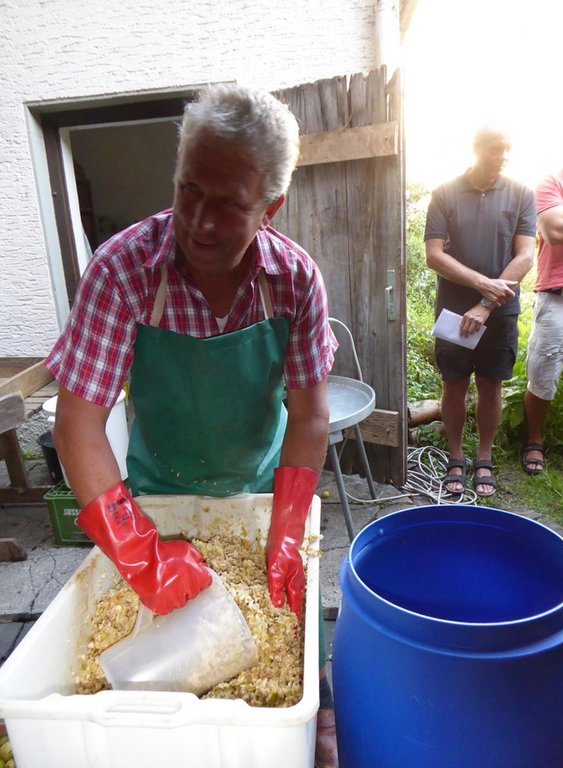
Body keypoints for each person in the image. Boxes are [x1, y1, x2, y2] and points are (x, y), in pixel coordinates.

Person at [45, 83, 339, 767]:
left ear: (270, 206)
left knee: (302, 687)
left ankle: (312, 723)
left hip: (261, 492)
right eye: (188, 192)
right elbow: (78, 425)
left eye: (229, 204)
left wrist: (287, 531)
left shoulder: (294, 280)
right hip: (155, 497)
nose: (200, 222)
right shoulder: (122, 270)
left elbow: (309, 415)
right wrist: (141, 553)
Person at [424, 125, 536, 497]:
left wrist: (487, 302)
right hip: (454, 311)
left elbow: (525, 256)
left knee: (491, 385)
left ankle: (484, 458)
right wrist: (482, 284)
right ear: (476, 149)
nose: (502, 157)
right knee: (454, 383)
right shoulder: (445, 194)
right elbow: (434, 255)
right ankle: (456, 456)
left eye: (506, 150)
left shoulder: (521, 194)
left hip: (500, 310)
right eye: (495, 149)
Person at [523, 127, 563, 478]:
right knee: (542, 376)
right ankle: (534, 441)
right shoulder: (552, 181)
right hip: (558, 296)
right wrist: (562, 219)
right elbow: (554, 232)